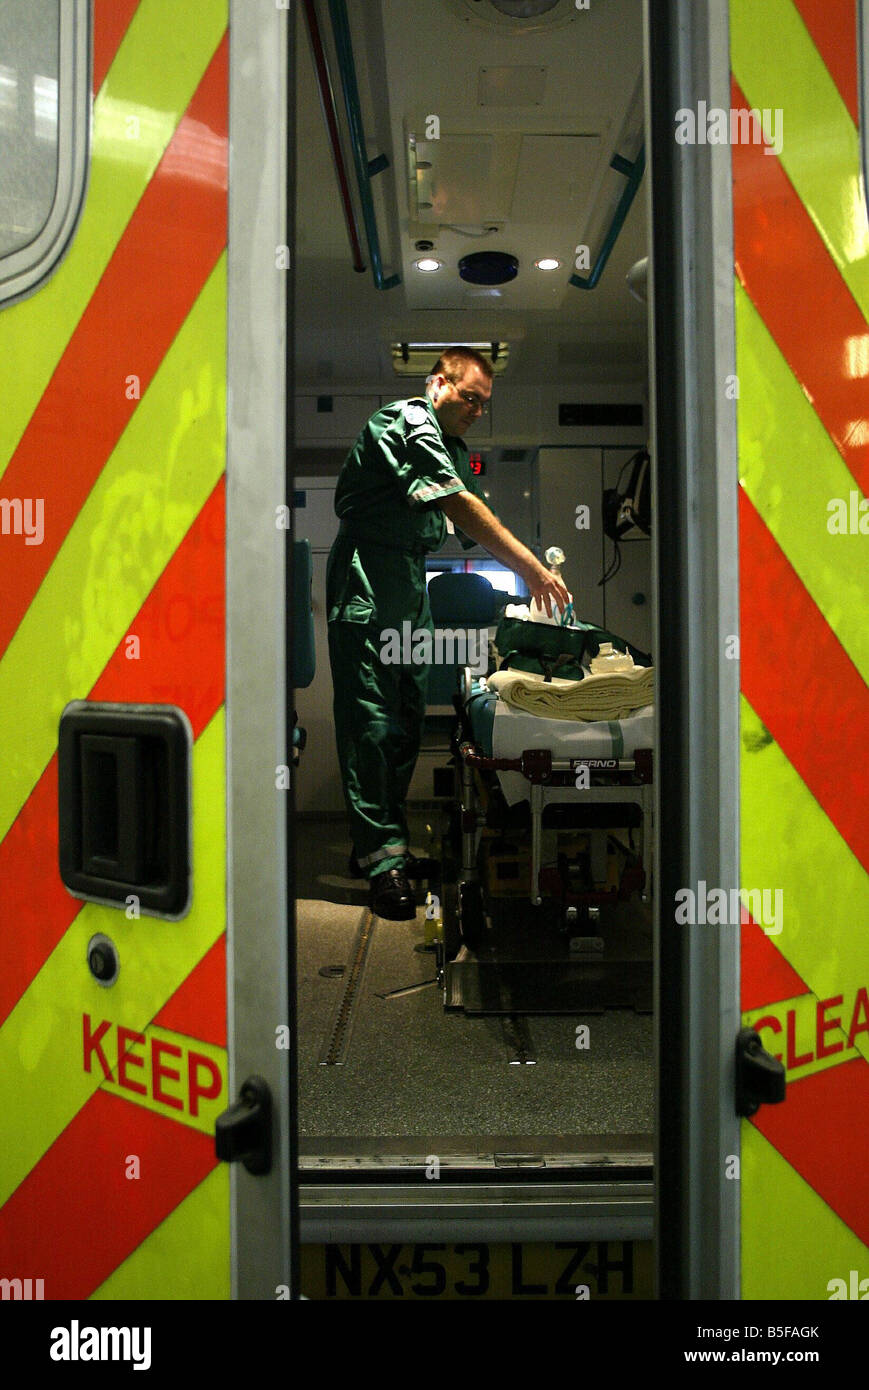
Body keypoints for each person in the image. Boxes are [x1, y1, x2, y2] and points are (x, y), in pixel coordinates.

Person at [326, 346, 570, 920]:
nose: (477, 411)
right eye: (470, 397)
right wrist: (530, 567)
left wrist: (528, 606)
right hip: (366, 582)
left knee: (408, 722)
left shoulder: (453, 450)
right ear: (439, 383)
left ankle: (384, 849)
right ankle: (381, 863)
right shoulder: (404, 421)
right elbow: (459, 508)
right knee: (373, 726)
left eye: (485, 405)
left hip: (410, 585)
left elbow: (477, 522)